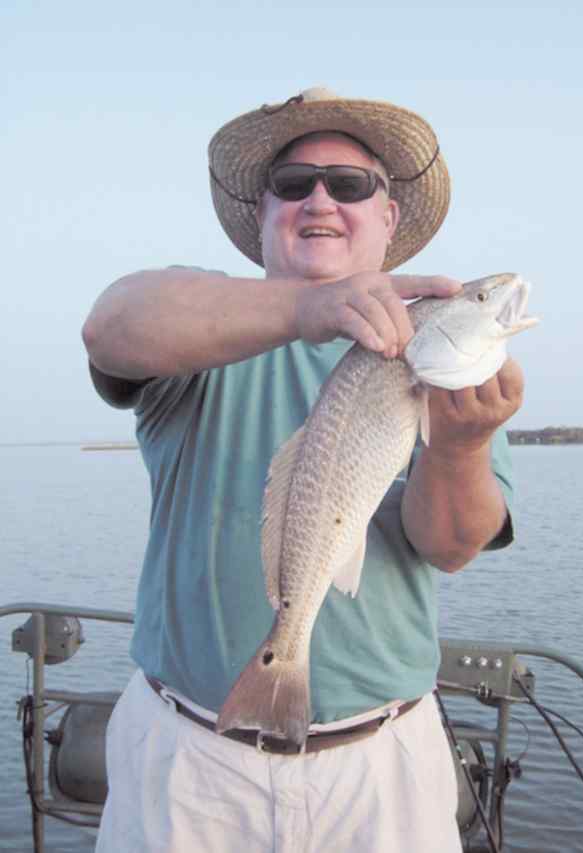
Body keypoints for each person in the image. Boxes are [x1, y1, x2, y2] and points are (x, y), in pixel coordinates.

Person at [82, 87, 523, 853]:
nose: (321, 199)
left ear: (388, 218)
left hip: (382, 771)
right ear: (262, 215)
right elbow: (108, 326)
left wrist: (459, 447)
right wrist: (305, 310)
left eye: (351, 184)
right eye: (294, 183)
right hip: (188, 767)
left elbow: (450, 545)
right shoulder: (200, 320)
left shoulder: (448, 360)